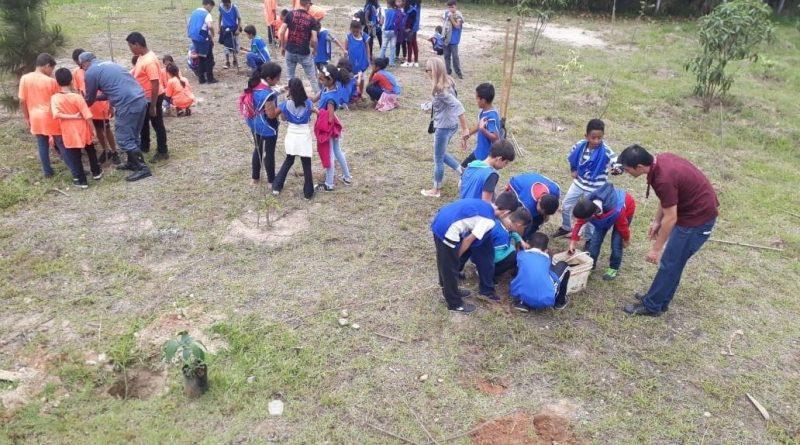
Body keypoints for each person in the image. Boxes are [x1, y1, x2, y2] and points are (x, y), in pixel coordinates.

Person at [617, 145, 719, 317]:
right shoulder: (660, 162)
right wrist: (657, 220)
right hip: (690, 213)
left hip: (697, 220)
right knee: (674, 262)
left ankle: (652, 306)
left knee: (670, 263)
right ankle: (660, 299)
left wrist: (656, 249)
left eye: (627, 170)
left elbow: (670, 218)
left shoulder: (663, 178)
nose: (627, 173)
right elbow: (667, 198)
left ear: (640, 167)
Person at [430, 196, 520, 313]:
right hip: (448, 230)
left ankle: (449, 289)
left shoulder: (484, 204)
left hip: (440, 220)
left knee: (444, 260)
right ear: (506, 212)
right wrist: (456, 257)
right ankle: (454, 303)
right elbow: (468, 240)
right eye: (508, 215)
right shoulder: (488, 221)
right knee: (450, 266)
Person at [80, 52, 152, 181]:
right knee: (133, 135)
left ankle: (143, 168)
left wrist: (80, 106)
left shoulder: (90, 72)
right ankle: (132, 163)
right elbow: (112, 89)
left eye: (81, 66)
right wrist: (98, 98)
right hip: (140, 99)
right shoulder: (110, 64)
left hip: (127, 104)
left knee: (123, 138)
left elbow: (89, 98)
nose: (82, 69)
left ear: (85, 63)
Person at [456, 192, 531, 301]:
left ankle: (456, 269)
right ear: (519, 225)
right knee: (508, 257)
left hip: (472, 244)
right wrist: (512, 250)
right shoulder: (500, 234)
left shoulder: (498, 220)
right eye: (524, 227)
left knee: (473, 246)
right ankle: (486, 288)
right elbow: (492, 257)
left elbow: (512, 232)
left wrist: (520, 240)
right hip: (480, 253)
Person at [554, 118, 619, 239]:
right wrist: (573, 169)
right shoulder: (579, 146)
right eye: (593, 137)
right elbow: (572, 158)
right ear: (586, 136)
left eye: (600, 138)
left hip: (595, 188)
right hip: (579, 183)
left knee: (590, 214)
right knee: (566, 205)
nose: (596, 141)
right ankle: (566, 227)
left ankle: (589, 237)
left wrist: (617, 169)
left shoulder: (606, 151)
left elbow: (617, 162)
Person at [421, 57, 469, 198]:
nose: (426, 73)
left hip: (443, 127)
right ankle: (462, 171)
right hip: (451, 124)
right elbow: (444, 103)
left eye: (427, 70)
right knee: (440, 154)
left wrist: (465, 128)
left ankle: (436, 189)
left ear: (434, 71)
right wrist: (429, 105)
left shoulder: (440, 90)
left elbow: (458, 105)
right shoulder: (449, 82)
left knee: (438, 159)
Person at [568, 183, 636, 281]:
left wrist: (626, 239)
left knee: (616, 244)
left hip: (625, 211)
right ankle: (591, 264)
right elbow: (579, 223)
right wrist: (573, 241)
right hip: (603, 216)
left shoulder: (617, 211)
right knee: (594, 243)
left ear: (592, 215)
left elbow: (623, 227)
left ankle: (613, 268)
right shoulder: (587, 204)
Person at [51, 68, 102, 188]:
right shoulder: (77, 97)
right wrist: (94, 131)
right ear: (71, 80)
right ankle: (96, 172)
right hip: (83, 127)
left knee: (75, 155)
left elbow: (56, 114)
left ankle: (82, 181)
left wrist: (70, 116)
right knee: (90, 149)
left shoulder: (55, 98)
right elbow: (88, 116)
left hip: (68, 131)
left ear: (57, 82)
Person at [18, 53, 64, 178]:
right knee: (61, 143)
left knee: (42, 144)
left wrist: (27, 117)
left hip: (35, 117)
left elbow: (22, 101)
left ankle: (47, 172)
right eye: (51, 69)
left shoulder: (24, 78)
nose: (51, 72)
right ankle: (75, 167)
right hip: (50, 117)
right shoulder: (51, 81)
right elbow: (59, 100)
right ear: (47, 66)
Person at [71, 48, 119, 166]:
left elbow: (107, 89)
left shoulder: (97, 69)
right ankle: (105, 150)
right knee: (97, 130)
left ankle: (114, 151)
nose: (80, 65)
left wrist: (110, 106)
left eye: (80, 62)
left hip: (101, 105)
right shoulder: (76, 72)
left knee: (106, 129)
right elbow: (79, 91)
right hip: (88, 107)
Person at [127, 32, 169, 162]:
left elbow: (155, 84)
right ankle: (144, 146)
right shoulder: (141, 57)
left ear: (137, 44)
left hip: (152, 97)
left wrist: (153, 105)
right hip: (144, 97)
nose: (130, 49)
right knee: (144, 123)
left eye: (130, 46)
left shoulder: (149, 61)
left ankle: (163, 151)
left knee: (157, 124)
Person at [272, 78, 316, 199]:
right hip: (304, 134)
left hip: (292, 133)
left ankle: (276, 186)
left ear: (290, 90)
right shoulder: (308, 103)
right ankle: (308, 193)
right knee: (306, 163)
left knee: (289, 159)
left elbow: (282, 118)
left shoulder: (286, 104)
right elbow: (314, 112)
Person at [314, 64, 353, 192]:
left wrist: (315, 111)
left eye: (321, 79)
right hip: (334, 125)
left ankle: (329, 183)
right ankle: (347, 177)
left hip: (329, 127)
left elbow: (329, 118)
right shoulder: (326, 89)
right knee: (337, 151)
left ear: (330, 80)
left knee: (329, 153)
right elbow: (314, 98)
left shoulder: (331, 98)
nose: (319, 81)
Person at [511, 233, 571, 312]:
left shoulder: (520, 255)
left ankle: (522, 302)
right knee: (564, 265)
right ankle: (559, 302)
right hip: (544, 300)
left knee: (525, 273)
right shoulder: (546, 258)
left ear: (527, 245)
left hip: (520, 295)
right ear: (546, 250)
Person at [248, 62, 282, 185]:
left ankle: (255, 178)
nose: (279, 80)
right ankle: (271, 180)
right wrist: (283, 106)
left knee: (258, 149)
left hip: (254, 123)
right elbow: (271, 114)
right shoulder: (268, 94)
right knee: (269, 153)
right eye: (277, 78)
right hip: (268, 126)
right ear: (269, 78)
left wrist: (280, 91)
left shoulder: (255, 85)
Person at [280, 0, 319, 93]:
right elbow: (314, 39)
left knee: (290, 77)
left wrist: (282, 46)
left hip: (290, 50)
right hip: (304, 52)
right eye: (310, 4)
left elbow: (281, 32)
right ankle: (320, 99)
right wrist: (314, 49)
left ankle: (291, 98)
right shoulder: (312, 19)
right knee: (312, 78)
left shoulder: (290, 14)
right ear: (308, 4)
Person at [506, 172, 560, 238]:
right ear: (539, 200)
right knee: (526, 221)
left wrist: (545, 216)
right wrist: (519, 239)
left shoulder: (555, 190)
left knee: (539, 219)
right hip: (515, 185)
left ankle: (529, 234)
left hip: (532, 179)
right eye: (541, 211)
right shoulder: (528, 204)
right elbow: (520, 222)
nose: (542, 214)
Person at [461, 82, 501, 168]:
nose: (476, 101)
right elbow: (479, 125)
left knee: (464, 170)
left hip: (485, 157)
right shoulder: (484, 111)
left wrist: (483, 130)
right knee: (463, 169)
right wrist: (467, 135)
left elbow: (496, 138)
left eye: (477, 98)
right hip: (478, 152)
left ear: (483, 100)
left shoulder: (491, 116)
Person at [187, 0, 218, 84]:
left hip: (194, 37)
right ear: (208, 5)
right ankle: (210, 78)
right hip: (203, 38)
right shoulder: (207, 14)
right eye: (211, 7)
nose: (211, 9)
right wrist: (212, 34)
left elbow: (189, 23)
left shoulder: (194, 12)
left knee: (201, 57)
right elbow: (210, 25)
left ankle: (201, 79)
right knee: (209, 58)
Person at [345, 20, 370, 98]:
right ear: (350, 29)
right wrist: (345, 59)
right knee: (352, 77)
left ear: (360, 29)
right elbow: (345, 49)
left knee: (362, 77)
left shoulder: (364, 36)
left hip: (361, 61)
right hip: (351, 61)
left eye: (357, 31)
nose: (355, 33)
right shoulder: (348, 36)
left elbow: (367, 47)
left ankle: (361, 93)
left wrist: (368, 57)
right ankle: (352, 93)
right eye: (353, 31)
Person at [442, 0, 464, 79]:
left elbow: (457, 26)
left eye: (452, 7)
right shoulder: (446, 13)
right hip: (446, 39)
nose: (450, 9)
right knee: (446, 56)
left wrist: (451, 17)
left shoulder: (458, 15)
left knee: (455, 57)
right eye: (449, 7)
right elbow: (444, 24)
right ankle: (448, 72)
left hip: (454, 40)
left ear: (455, 6)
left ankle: (458, 72)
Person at [218, 0, 242, 69]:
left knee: (235, 45)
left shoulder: (234, 7)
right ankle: (227, 62)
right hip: (225, 28)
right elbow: (220, 16)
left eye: (227, 4)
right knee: (226, 46)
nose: (225, 5)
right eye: (224, 4)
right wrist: (219, 27)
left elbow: (239, 18)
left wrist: (238, 29)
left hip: (234, 28)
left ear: (230, 2)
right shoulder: (221, 6)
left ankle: (235, 61)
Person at [379, 0, 399, 67]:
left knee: (383, 47)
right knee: (393, 47)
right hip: (394, 31)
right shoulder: (396, 11)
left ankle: (380, 61)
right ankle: (391, 63)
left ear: (388, 4)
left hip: (386, 31)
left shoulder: (385, 11)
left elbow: (381, 22)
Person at [400, 0, 419, 67]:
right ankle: (415, 61)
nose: (401, 3)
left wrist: (409, 28)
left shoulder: (411, 10)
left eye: (402, 1)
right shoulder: (411, 8)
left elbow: (411, 20)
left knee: (409, 44)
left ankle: (409, 61)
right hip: (413, 29)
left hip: (411, 30)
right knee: (413, 43)